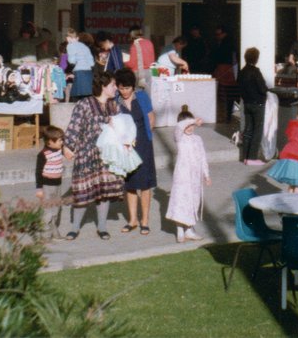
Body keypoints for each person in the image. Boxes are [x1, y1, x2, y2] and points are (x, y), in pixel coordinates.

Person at [63, 72, 124, 241]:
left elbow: (123, 128)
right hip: (87, 154)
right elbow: (75, 125)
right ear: (103, 86)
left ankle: (102, 227)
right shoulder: (84, 104)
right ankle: (75, 228)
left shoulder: (115, 106)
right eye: (113, 85)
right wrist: (68, 146)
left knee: (104, 190)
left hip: (107, 155)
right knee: (82, 190)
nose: (115, 88)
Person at [115, 68, 157, 235]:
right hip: (126, 147)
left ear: (133, 86)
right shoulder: (116, 102)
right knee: (130, 184)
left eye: (127, 88)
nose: (124, 91)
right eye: (121, 88)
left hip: (143, 144)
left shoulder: (142, 97)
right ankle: (132, 220)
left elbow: (151, 118)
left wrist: (145, 137)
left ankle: (144, 221)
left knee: (145, 184)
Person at [167, 108, 211, 242]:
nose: (190, 127)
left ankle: (189, 229)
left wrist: (206, 174)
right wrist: (192, 120)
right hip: (182, 176)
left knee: (193, 201)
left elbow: (203, 157)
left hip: (195, 177)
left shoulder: (198, 139)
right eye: (187, 125)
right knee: (181, 201)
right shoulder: (180, 138)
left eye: (192, 125)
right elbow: (179, 127)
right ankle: (180, 229)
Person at [35, 125, 71, 239]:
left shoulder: (59, 150)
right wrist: (39, 188)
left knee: (56, 209)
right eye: (60, 140)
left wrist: (66, 150)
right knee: (47, 211)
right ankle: (44, 234)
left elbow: (65, 148)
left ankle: (54, 231)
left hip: (57, 185)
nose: (62, 142)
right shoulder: (43, 155)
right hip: (46, 186)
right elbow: (38, 172)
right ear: (50, 142)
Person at [237, 47, 268, 165]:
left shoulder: (242, 71)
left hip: (247, 103)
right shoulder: (256, 71)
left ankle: (245, 156)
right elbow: (262, 88)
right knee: (257, 130)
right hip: (258, 103)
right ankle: (252, 157)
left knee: (248, 129)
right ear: (256, 59)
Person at [211, 25, 238, 121]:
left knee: (224, 95)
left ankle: (226, 117)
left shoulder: (227, 44)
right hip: (224, 70)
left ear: (224, 34)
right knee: (226, 95)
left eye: (218, 34)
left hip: (226, 70)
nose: (217, 36)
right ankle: (226, 116)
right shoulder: (222, 42)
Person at [66, 28, 95, 103]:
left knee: (75, 98)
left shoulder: (70, 46)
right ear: (77, 38)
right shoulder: (84, 46)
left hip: (79, 73)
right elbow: (92, 63)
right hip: (88, 73)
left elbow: (72, 61)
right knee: (88, 98)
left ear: (67, 38)